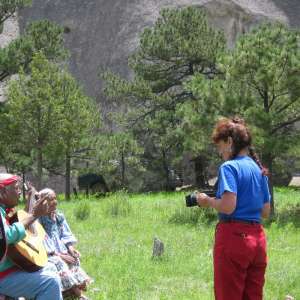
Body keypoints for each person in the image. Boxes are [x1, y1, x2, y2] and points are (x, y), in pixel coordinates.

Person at [196, 117, 271, 300]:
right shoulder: (258, 169)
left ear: (229, 142)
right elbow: (265, 212)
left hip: (234, 240)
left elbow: (228, 207)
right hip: (258, 241)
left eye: (220, 145)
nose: (219, 151)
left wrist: (208, 201)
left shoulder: (229, 167)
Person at [0, 173, 62, 300]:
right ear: (2, 191)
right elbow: (6, 236)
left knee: (50, 266)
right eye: (16, 188)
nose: (19, 192)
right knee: (50, 282)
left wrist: (34, 212)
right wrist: (34, 215)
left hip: (10, 267)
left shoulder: (4, 210)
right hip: (3, 274)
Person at [38, 188, 91, 300]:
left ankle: (70, 291)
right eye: (51, 199)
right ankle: (79, 295)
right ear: (43, 202)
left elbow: (65, 234)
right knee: (59, 263)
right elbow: (42, 241)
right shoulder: (39, 220)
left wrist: (71, 249)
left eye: (55, 198)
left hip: (60, 250)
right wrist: (60, 255)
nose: (55, 202)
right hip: (47, 254)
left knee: (74, 258)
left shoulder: (58, 216)